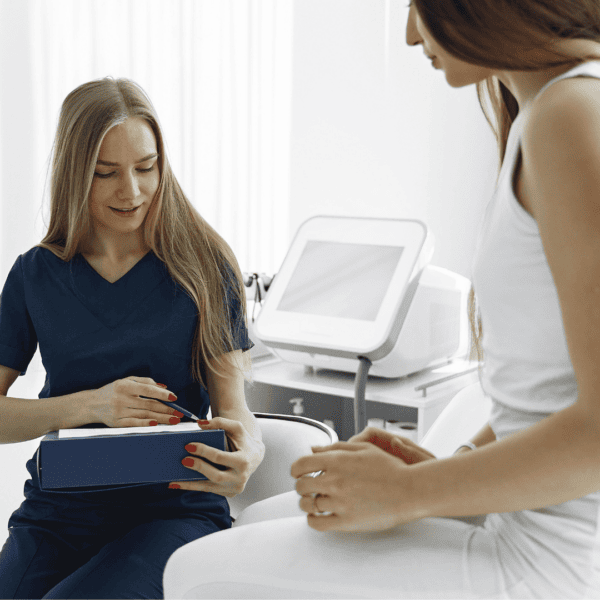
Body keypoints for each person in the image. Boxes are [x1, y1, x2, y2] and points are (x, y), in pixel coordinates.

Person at [161, 1, 600, 598]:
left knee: (191, 573)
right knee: (263, 517)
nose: (411, 34)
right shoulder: (544, 114)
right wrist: (443, 469)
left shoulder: (570, 115)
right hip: (520, 521)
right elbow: (548, 394)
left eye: (418, 5)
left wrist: (408, 493)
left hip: (549, 564)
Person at [0, 77, 265, 599]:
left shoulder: (205, 265)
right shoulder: (35, 274)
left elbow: (235, 409)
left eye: (146, 167)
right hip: (61, 509)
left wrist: (249, 453)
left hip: (173, 509)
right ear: (75, 172)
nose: (133, 191)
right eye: (106, 173)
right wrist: (92, 405)